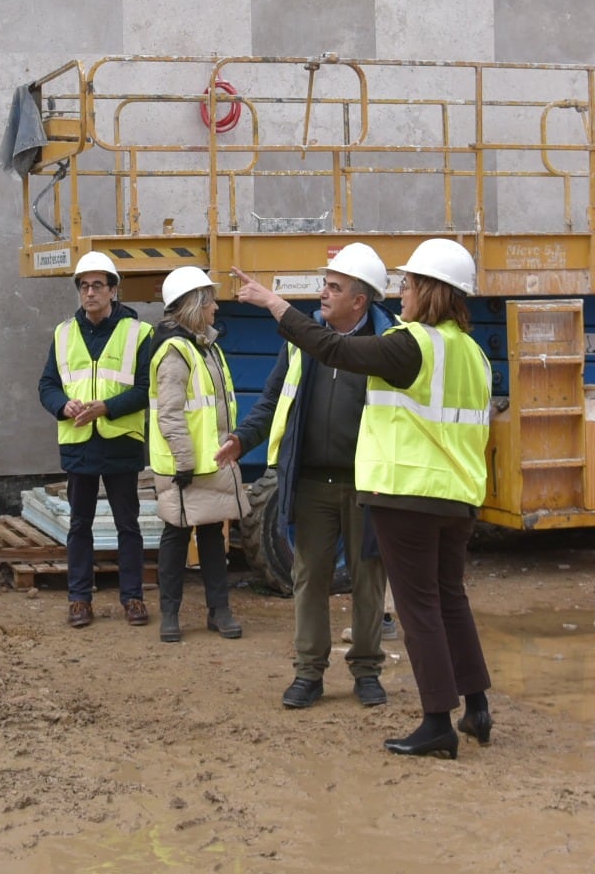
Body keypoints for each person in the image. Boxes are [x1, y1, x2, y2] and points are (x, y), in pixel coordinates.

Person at [230, 240, 494, 758]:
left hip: (408, 495)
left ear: (432, 292)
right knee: (450, 603)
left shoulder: (410, 344)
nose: (403, 294)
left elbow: (335, 350)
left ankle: (437, 720)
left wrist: (275, 305)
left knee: (418, 609)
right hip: (457, 495)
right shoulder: (473, 353)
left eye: (410, 285)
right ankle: (477, 706)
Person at [222, 243, 397, 710]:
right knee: (309, 577)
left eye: (334, 287)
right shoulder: (302, 343)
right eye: (326, 283)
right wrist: (243, 439)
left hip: (368, 484)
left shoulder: (389, 346)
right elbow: (272, 399)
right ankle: (308, 673)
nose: (323, 293)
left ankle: (366, 670)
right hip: (312, 483)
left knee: (368, 579)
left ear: (360, 301)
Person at [34, 251, 153, 629]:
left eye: (97, 285)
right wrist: (62, 406)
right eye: (84, 286)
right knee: (79, 524)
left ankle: (132, 597)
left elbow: (145, 389)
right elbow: (47, 384)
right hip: (79, 441)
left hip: (120, 440)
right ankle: (79, 599)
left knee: (127, 525)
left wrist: (106, 408)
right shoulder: (63, 332)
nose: (90, 293)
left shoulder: (139, 332)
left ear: (114, 290)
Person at [146, 266, 246, 644]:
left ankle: (219, 611)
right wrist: (185, 463)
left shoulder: (206, 346)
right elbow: (170, 414)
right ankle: (170, 615)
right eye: (211, 300)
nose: (217, 308)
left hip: (211, 461)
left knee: (211, 539)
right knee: (175, 538)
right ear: (194, 305)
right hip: (185, 465)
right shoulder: (176, 351)